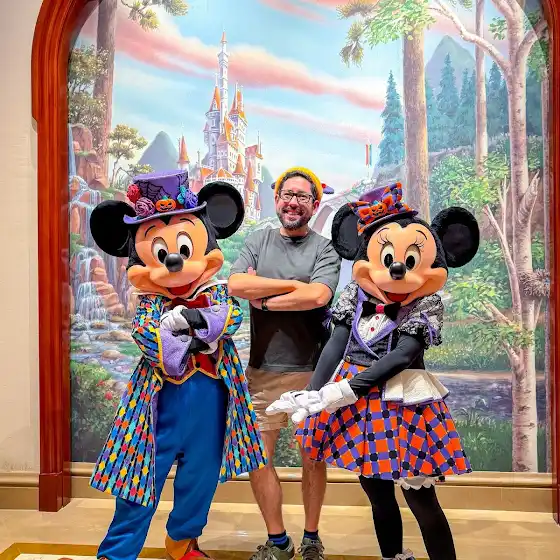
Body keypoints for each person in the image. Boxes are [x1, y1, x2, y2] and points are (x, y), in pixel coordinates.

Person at [267, 183, 478, 560]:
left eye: (410, 259)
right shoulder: (356, 295)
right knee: (376, 490)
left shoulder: (425, 303)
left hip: (405, 404)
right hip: (364, 409)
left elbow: (403, 355)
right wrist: (312, 392)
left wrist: (346, 390)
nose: (397, 267)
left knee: (420, 497)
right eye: (388, 257)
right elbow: (336, 344)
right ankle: (392, 556)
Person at [88, 170, 266, 560]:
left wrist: (191, 322)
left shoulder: (215, 290)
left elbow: (230, 317)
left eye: (185, 248)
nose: (174, 261)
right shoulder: (149, 302)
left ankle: (182, 541)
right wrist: (199, 333)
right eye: (160, 252)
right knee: (139, 479)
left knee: (202, 476)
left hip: (212, 402)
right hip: (158, 406)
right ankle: (117, 553)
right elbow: (150, 339)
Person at [228, 167, 341, 560]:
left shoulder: (325, 249)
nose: (293, 202)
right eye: (287, 195)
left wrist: (263, 299)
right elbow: (236, 284)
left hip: (314, 373)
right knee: (259, 459)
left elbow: (319, 296)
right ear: (277, 199)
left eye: (302, 197)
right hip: (261, 372)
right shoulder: (257, 240)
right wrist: (294, 285)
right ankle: (278, 541)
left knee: (313, 459)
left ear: (314, 204)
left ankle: (311, 538)